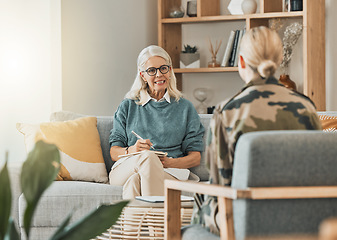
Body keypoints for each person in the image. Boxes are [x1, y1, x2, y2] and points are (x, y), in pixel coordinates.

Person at [192, 26, 322, 235]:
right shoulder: (306, 107)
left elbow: (220, 183)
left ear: (241, 62)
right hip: (302, 222)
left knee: (200, 203)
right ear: (279, 60)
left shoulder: (227, 111)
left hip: (243, 223)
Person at [109, 45, 204, 199]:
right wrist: (132, 150)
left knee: (135, 182)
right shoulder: (127, 106)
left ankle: (137, 224)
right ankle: (159, 224)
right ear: (142, 75)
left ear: (170, 70)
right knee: (147, 157)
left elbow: (195, 157)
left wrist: (168, 163)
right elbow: (114, 152)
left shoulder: (185, 108)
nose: (159, 74)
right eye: (152, 71)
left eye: (163, 68)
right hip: (127, 167)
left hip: (168, 171)